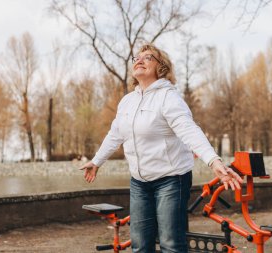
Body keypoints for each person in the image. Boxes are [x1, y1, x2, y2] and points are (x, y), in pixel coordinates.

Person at [80, 43, 243, 253]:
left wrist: (214, 161)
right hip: (139, 182)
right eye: (136, 58)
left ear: (161, 67)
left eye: (147, 57)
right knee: (139, 244)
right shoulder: (127, 102)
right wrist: (96, 161)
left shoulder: (169, 97)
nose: (139, 60)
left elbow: (189, 130)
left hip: (171, 179)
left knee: (170, 243)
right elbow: (115, 134)